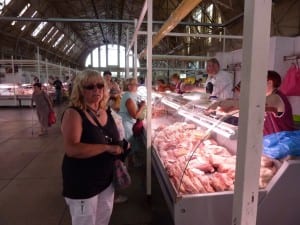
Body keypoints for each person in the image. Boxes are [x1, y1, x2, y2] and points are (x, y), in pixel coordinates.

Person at [61, 69, 126, 225]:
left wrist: (122, 146)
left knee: (103, 219)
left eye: (99, 85)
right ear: (80, 90)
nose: (96, 89)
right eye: (89, 86)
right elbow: (72, 149)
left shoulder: (106, 111)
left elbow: (113, 138)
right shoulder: (73, 114)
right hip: (82, 182)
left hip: (106, 180)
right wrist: (107, 148)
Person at [119, 78, 146, 167]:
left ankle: (131, 163)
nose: (137, 86)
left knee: (130, 143)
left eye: (137, 84)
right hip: (125, 123)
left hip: (128, 122)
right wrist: (142, 107)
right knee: (128, 143)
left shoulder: (130, 95)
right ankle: (128, 165)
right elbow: (135, 115)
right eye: (135, 84)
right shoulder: (128, 97)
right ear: (129, 86)